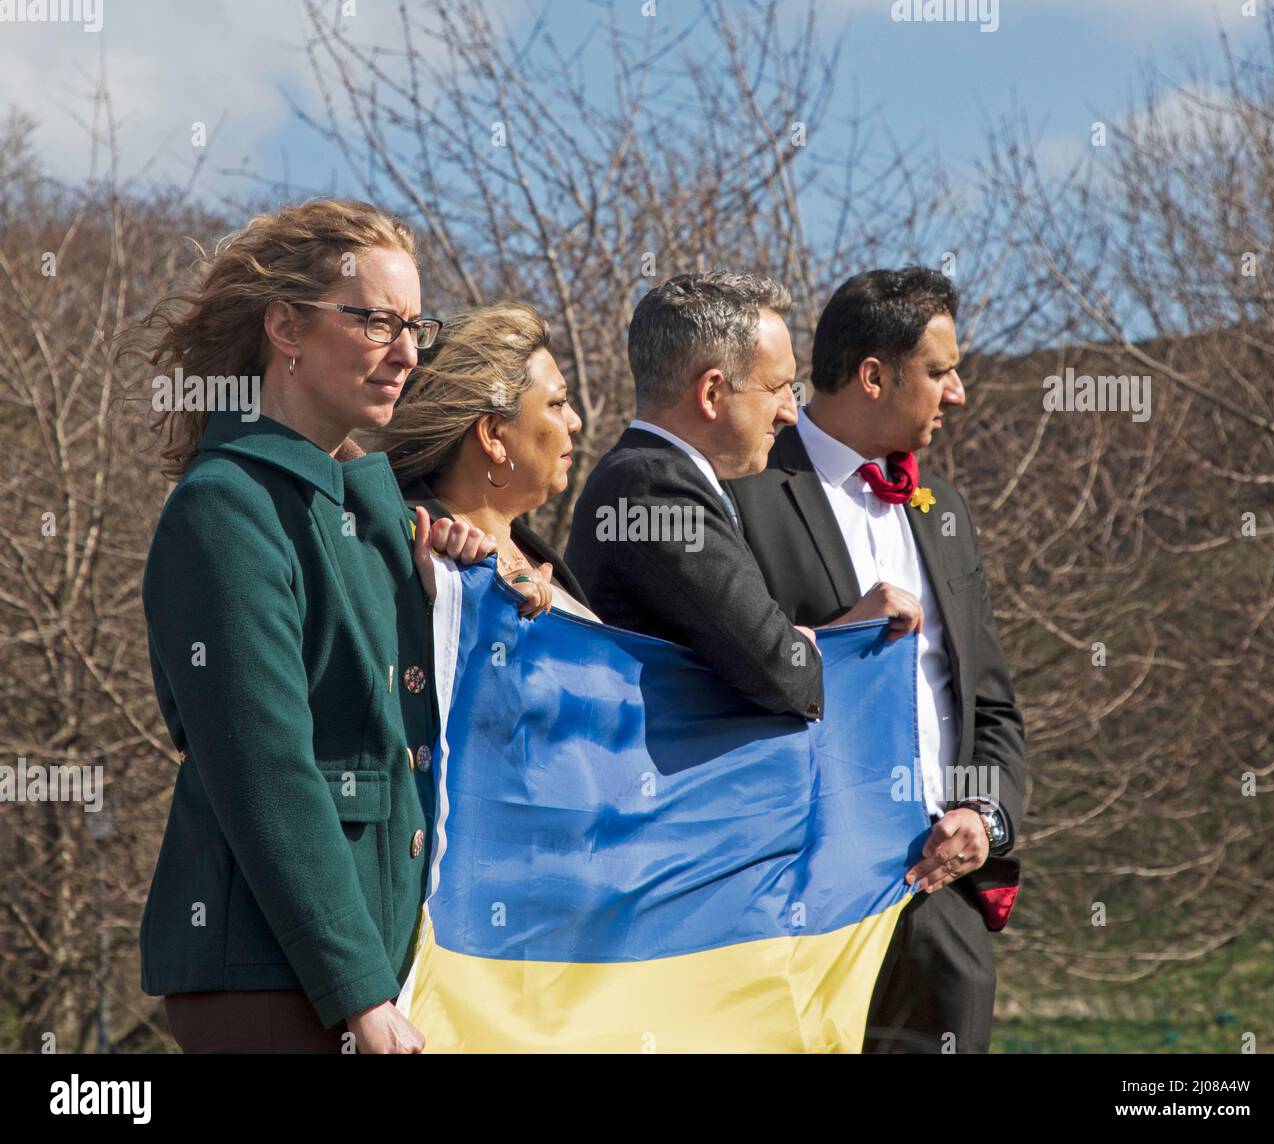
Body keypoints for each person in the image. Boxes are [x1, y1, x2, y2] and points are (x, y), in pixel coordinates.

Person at [126, 198, 494, 1054]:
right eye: (374, 322)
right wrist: (358, 995)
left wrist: (461, 593)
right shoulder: (226, 509)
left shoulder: (384, 520)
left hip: (368, 968)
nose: (407, 352)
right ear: (286, 327)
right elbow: (265, 773)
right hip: (273, 979)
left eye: (415, 325)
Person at [727, 267, 1028, 1053]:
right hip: (792, 910)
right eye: (940, 372)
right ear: (872, 376)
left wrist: (985, 820)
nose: (957, 393)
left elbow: (989, 705)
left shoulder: (948, 512)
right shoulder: (743, 491)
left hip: (939, 916)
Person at [564, 272, 823, 720]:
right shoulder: (653, 489)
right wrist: (806, 649)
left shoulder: (657, 477)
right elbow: (781, 672)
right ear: (712, 392)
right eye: (777, 386)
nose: (790, 411)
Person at [372, 302, 594, 622]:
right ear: (493, 435)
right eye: (557, 403)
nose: (575, 422)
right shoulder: (419, 551)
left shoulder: (539, 557)